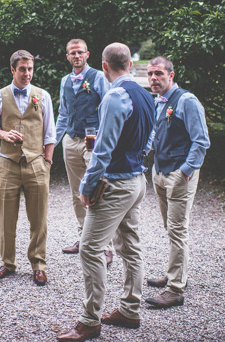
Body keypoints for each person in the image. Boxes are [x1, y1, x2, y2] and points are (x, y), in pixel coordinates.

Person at [57, 43, 154, 341]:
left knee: (89, 248)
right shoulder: (145, 93)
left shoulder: (115, 96)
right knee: (130, 246)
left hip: (115, 184)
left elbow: (103, 151)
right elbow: (150, 137)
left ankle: (90, 321)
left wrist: (87, 186)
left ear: (104, 65)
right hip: (137, 179)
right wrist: (135, 155)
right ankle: (129, 309)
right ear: (128, 63)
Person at [0, 49, 56, 286]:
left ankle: (38, 264)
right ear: (13, 69)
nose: (27, 74)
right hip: (7, 163)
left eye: (31, 69)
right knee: (6, 218)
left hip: (36, 163)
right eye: (23, 69)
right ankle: (8, 263)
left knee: (39, 219)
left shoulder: (42, 95)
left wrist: (47, 161)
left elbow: (50, 133)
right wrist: (3, 133)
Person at [144, 55, 210, 309]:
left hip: (178, 174)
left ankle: (175, 289)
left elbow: (201, 141)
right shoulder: (157, 101)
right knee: (170, 227)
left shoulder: (187, 101)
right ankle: (175, 273)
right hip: (159, 172)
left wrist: (185, 171)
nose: (153, 78)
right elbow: (154, 135)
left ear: (171, 75)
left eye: (159, 74)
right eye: (150, 74)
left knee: (178, 228)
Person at [55, 39, 114, 265]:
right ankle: (83, 238)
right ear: (68, 57)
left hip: (93, 141)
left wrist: (105, 138)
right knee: (75, 192)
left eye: (80, 52)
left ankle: (105, 246)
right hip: (71, 140)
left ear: (87, 54)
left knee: (97, 191)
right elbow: (63, 114)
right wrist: (52, 142)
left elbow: (108, 107)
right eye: (73, 53)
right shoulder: (64, 81)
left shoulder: (98, 77)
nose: (77, 56)